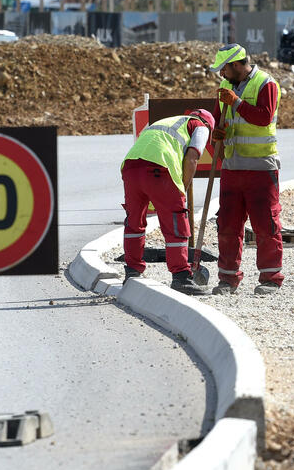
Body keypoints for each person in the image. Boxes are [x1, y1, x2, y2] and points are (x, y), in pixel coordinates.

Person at [208, 43, 284, 296]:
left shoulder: (266, 84)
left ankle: (271, 278)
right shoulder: (226, 87)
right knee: (228, 225)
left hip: (261, 167)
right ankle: (228, 279)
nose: (222, 75)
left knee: (266, 225)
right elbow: (221, 119)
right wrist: (217, 134)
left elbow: (263, 117)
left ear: (237, 65)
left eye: (224, 69)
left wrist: (237, 102)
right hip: (232, 167)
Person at [121, 108, 215, 296]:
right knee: (176, 222)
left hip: (130, 167)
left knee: (134, 222)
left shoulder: (167, 120)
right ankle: (181, 277)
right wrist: (183, 188)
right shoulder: (200, 126)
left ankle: (132, 271)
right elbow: (192, 158)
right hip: (159, 167)